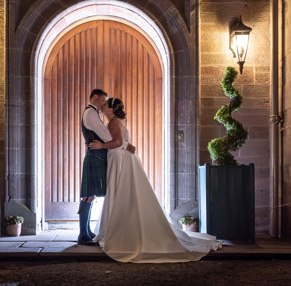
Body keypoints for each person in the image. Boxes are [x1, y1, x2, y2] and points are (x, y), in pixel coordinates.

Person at [90, 97, 222, 262]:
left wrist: (101, 146)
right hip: (123, 158)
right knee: (121, 193)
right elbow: (123, 142)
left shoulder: (113, 123)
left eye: (105, 105)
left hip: (120, 160)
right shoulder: (117, 121)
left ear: (111, 109)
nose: (102, 107)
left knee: (119, 193)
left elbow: (117, 142)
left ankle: (117, 231)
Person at [78, 89, 135, 246]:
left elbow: (108, 137)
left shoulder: (93, 113)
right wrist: (125, 144)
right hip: (94, 156)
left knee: (91, 196)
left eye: (106, 102)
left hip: (98, 156)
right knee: (88, 196)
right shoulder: (90, 113)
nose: (104, 103)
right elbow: (107, 136)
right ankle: (83, 234)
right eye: (103, 100)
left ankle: (86, 232)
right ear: (95, 97)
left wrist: (117, 143)